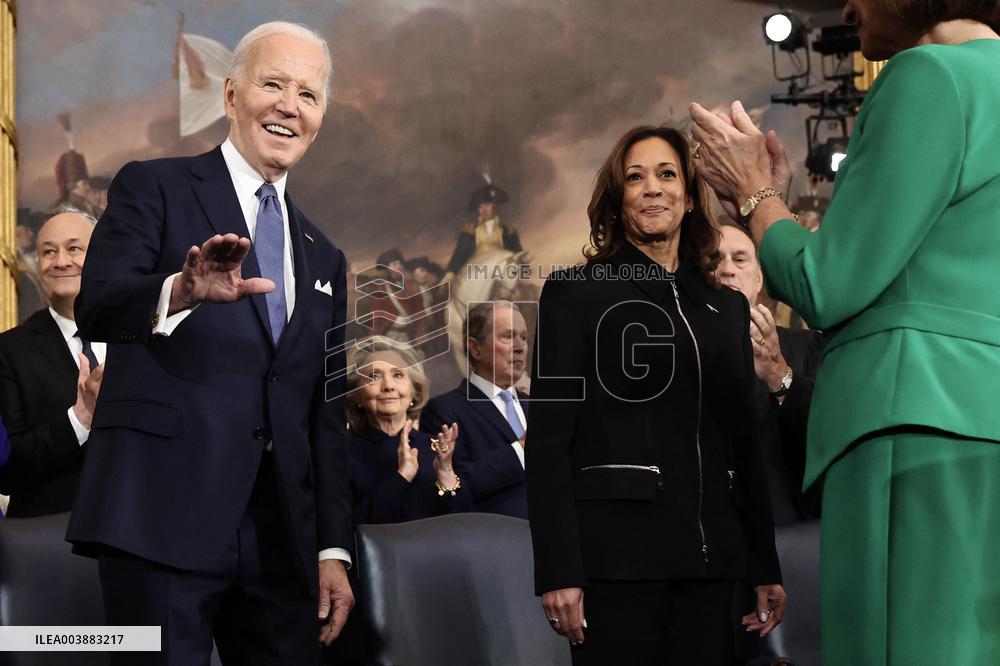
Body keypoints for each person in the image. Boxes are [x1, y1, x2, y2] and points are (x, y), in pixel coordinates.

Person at [689, 3, 1000, 663]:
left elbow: (827, 283)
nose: (850, 7)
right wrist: (771, 203)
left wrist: (753, 193)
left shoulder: (929, 73)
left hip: (913, 426)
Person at [66, 21, 354, 664]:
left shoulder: (325, 256)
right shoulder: (154, 186)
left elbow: (323, 412)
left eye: (308, 95)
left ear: (319, 120)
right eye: (272, 84)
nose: (289, 106)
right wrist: (178, 292)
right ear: (230, 95)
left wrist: (332, 547)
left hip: (280, 544)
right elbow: (97, 306)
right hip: (158, 518)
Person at [526, 125, 784, 664]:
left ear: (688, 197)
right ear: (617, 199)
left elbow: (745, 443)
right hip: (615, 567)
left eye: (667, 174)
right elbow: (548, 444)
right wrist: (558, 570)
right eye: (635, 177)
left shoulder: (725, 307)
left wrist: (765, 564)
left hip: (712, 568)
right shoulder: (575, 293)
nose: (652, 188)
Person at [0, 206, 105, 518]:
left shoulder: (139, 335)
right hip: (51, 533)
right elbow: (8, 469)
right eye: (48, 252)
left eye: (74, 248)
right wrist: (79, 419)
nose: (61, 261)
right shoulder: (9, 350)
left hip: (140, 527)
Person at [715, 222, 823, 525]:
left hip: (787, 527)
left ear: (759, 278)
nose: (727, 269)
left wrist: (779, 374)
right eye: (714, 259)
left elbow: (825, 436)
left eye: (740, 259)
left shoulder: (806, 347)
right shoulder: (676, 351)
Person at [422, 301, 530, 519]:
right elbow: (454, 486)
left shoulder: (541, 408)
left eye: (524, 337)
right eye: (508, 336)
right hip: (494, 535)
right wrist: (520, 451)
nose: (520, 347)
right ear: (475, 348)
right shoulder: (445, 411)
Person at [346, 337, 471, 523]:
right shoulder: (342, 451)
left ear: (414, 390)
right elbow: (347, 525)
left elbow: (466, 520)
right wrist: (403, 476)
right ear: (356, 395)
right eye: (374, 376)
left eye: (398, 375)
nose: (388, 386)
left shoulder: (436, 448)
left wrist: (446, 474)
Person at [444, 180, 522, 279]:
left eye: (487, 205)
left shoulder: (509, 232)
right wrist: (451, 273)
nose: (484, 210)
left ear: (494, 206)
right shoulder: (469, 231)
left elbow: (519, 257)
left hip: (502, 275)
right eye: (480, 206)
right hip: (475, 275)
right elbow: (459, 255)